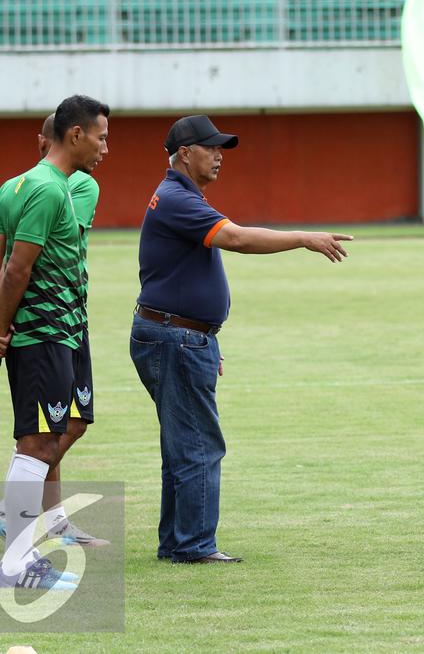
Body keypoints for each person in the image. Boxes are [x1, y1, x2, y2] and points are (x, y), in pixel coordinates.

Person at [131, 115, 351, 564]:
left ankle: (177, 541)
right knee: (198, 445)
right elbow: (234, 238)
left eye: (221, 149)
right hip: (176, 337)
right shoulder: (178, 197)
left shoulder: (177, 196)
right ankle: (192, 545)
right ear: (185, 154)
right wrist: (303, 238)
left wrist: (205, 338)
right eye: (211, 148)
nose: (219, 156)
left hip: (179, 335)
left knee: (181, 445)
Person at [0, 95, 110, 590]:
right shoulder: (48, 189)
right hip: (44, 333)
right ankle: (15, 565)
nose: (105, 147)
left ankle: (18, 553)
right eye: (101, 137)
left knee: (41, 440)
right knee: (39, 442)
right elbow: (17, 266)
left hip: (50, 335)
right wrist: (2, 330)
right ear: (75, 135)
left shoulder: (21, 186)